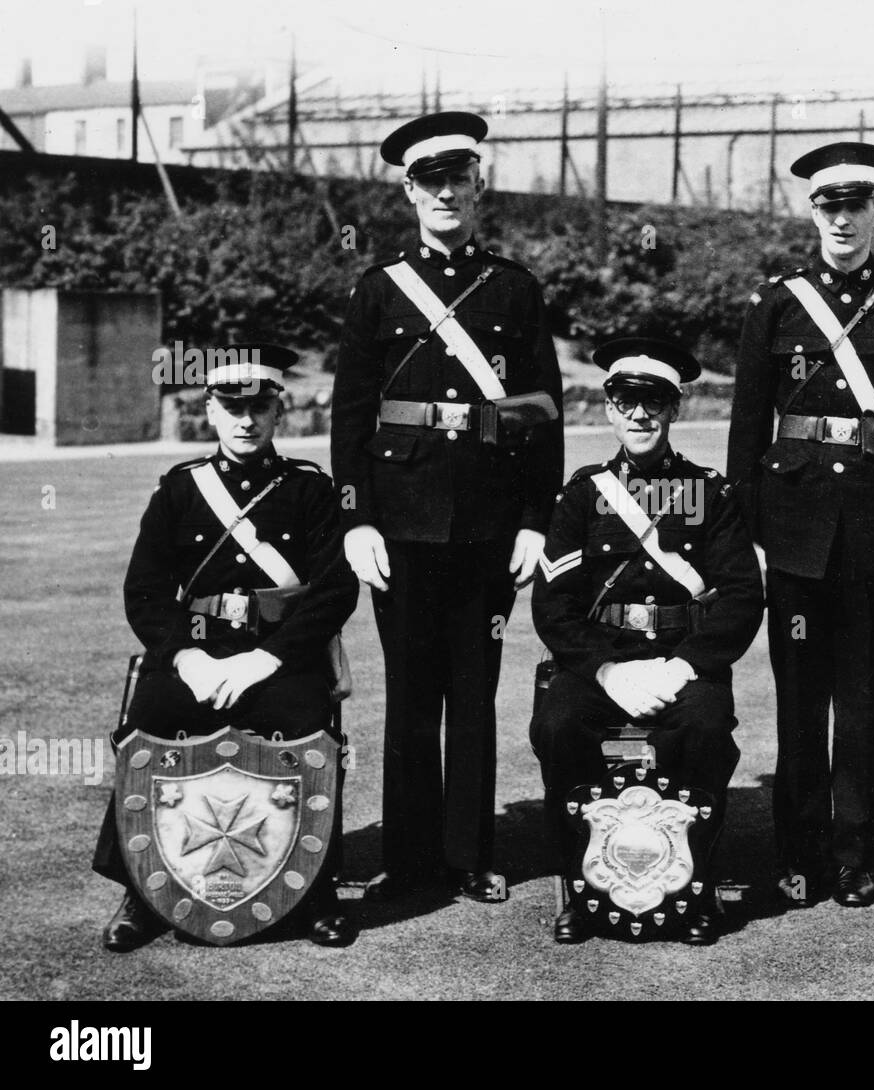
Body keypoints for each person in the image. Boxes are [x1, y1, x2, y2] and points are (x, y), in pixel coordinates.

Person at [330, 112, 563, 903]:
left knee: (473, 696)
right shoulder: (376, 290)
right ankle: (410, 859)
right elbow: (351, 414)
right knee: (409, 698)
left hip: (491, 524)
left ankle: (468, 855)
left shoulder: (514, 288)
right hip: (400, 523)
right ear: (408, 192)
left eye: (457, 180)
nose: (445, 194)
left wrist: (537, 518)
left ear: (478, 186)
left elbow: (540, 410)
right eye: (429, 182)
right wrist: (356, 516)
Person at [726, 142, 874, 908]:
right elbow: (746, 433)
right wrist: (747, 539)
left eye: (858, 206)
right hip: (792, 534)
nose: (844, 220)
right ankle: (797, 852)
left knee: (859, 704)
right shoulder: (775, 304)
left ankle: (856, 854)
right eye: (830, 206)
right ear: (812, 212)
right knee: (797, 706)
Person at [94, 344, 360, 950]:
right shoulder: (180, 490)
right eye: (232, 407)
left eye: (259, 407)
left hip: (278, 654)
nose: (245, 421)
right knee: (149, 725)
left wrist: (266, 658)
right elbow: (145, 591)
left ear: (278, 412)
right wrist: (186, 658)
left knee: (307, 729)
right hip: (197, 653)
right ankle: (140, 890)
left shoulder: (311, 490)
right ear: (210, 411)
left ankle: (317, 891)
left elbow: (334, 591)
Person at [531, 337, 764, 945]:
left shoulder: (710, 491)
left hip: (681, 662)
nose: (639, 415)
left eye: (653, 401)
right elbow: (553, 605)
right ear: (608, 408)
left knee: (707, 730)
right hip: (601, 663)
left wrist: (682, 667)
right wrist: (606, 672)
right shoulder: (582, 493)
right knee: (559, 727)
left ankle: (695, 886)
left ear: (674, 409)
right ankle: (585, 889)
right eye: (625, 401)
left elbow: (741, 596)